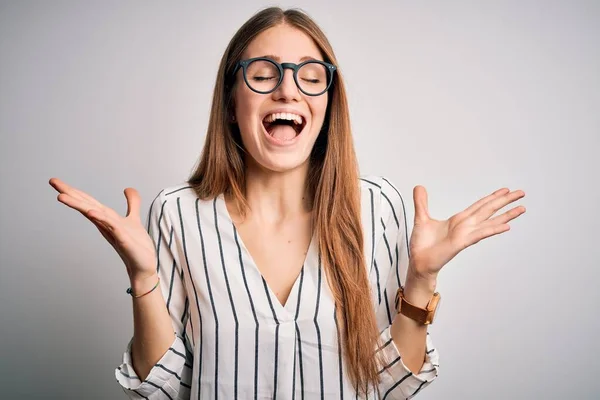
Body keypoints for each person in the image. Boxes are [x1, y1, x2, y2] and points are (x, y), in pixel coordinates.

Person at [49, 6, 526, 400]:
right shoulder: (177, 214)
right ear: (232, 104)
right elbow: (165, 389)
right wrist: (143, 278)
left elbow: (392, 386)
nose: (288, 88)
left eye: (310, 75)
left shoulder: (378, 209)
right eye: (262, 74)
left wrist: (421, 280)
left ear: (327, 102)